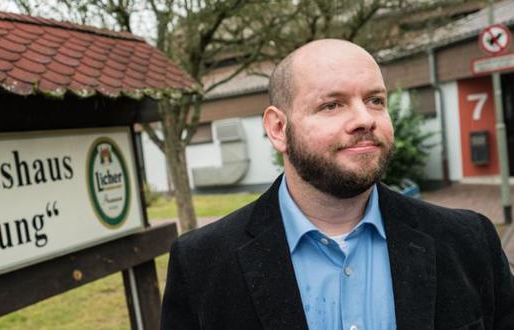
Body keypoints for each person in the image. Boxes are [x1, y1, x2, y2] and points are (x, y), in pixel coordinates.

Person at [160, 39, 514, 330]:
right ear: (278, 129)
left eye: (375, 100)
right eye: (332, 105)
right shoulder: (202, 264)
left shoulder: (469, 242)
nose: (364, 119)